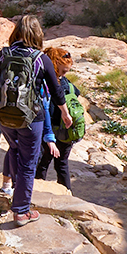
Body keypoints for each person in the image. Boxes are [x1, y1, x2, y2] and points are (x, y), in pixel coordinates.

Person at [0, 15, 70, 226]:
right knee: (28, 164)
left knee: (13, 150)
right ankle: (21, 211)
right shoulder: (41, 59)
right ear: (37, 34)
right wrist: (65, 113)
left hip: (4, 116)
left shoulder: (3, 55)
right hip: (32, 118)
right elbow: (56, 90)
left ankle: (16, 195)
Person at [37, 46, 76, 191]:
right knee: (62, 165)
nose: (65, 74)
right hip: (66, 131)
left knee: (42, 163)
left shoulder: (46, 83)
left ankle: (37, 194)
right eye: (64, 71)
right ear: (55, 64)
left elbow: (46, 109)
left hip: (51, 130)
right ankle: (67, 195)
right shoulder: (68, 84)